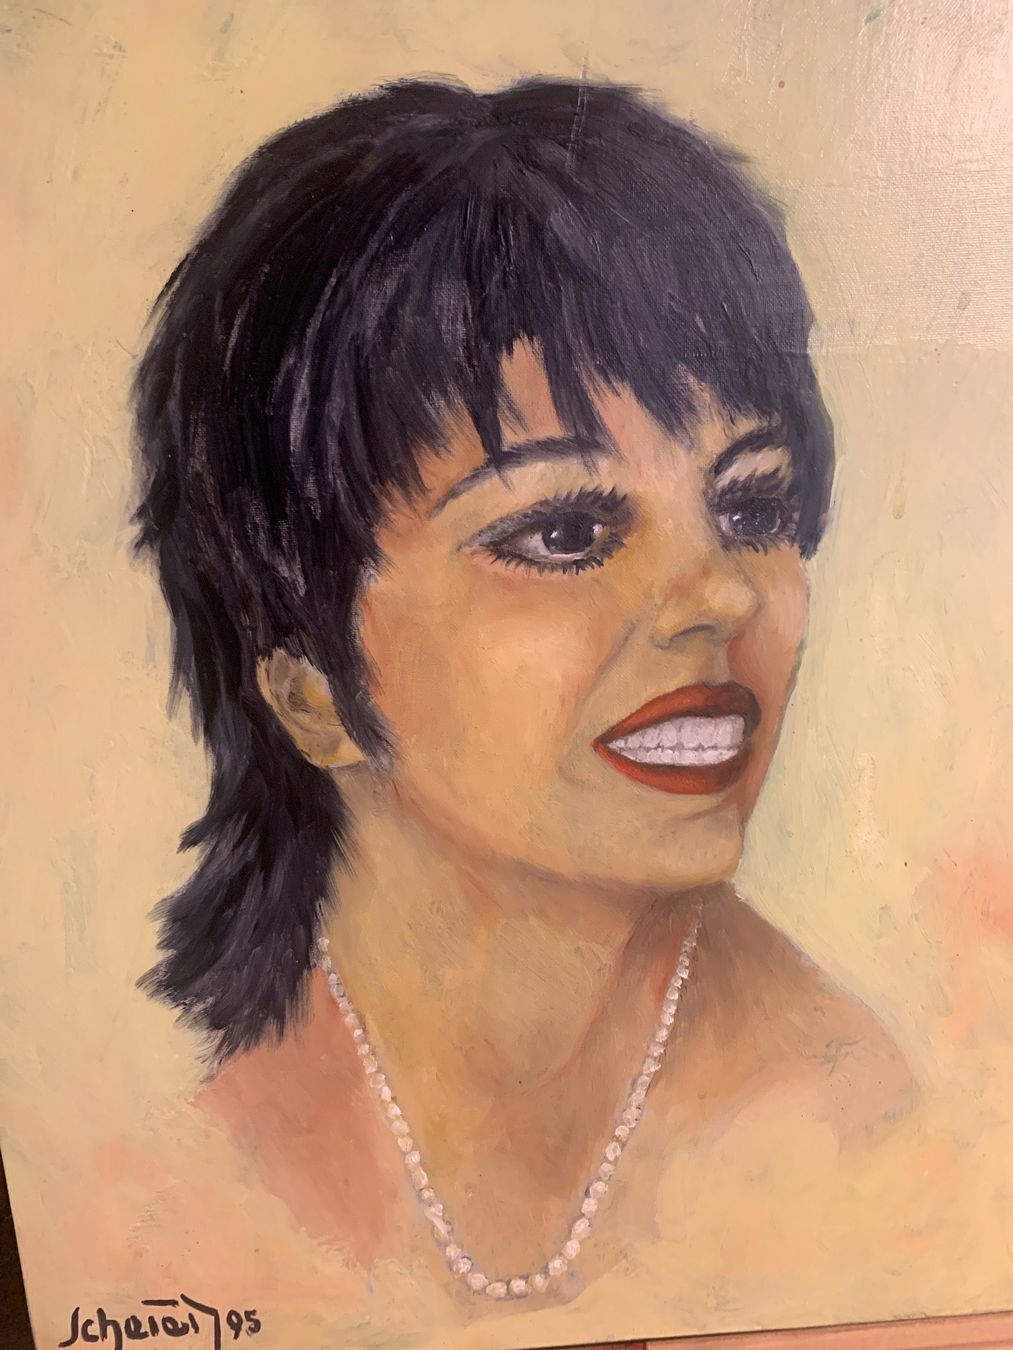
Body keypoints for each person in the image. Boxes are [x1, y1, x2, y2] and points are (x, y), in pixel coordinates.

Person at [133, 76, 913, 1305]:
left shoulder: (862, 1127)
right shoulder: (167, 1160)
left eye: (749, 505)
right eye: (565, 533)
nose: (720, 594)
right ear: (308, 687)